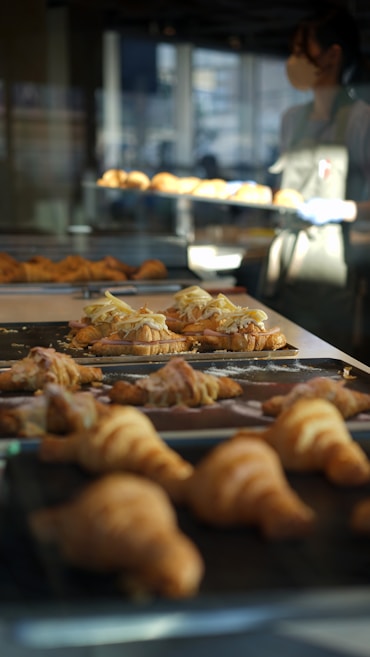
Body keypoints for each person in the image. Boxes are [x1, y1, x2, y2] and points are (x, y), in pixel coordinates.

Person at [258, 2, 370, 361]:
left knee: (321, 364)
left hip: (332, 274)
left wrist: (340, 208)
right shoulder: (292, 119)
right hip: (285, 268)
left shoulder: (360, 121)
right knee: (275, 360)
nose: (294, 60)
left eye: (301, 51)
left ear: (332, 56)